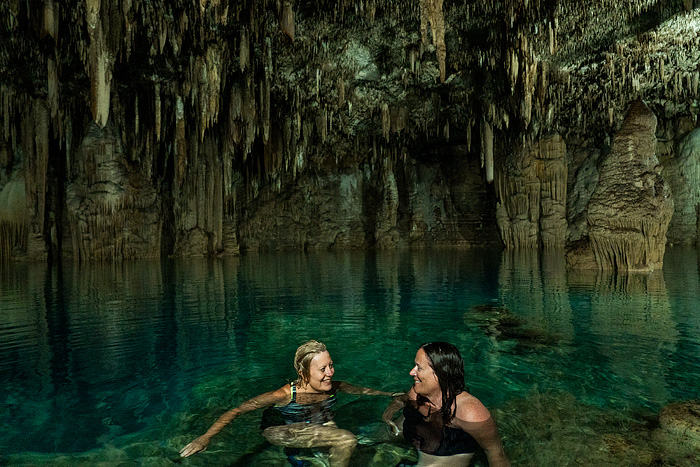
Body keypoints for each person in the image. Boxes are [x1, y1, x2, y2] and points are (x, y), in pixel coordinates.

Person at [180, 339, 398, 467]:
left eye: (331, 365)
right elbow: (237, 411)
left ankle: (312, 455)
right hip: (280, 429)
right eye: (322, 369)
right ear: (304, 373)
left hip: (313, 424)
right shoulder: (283, 395)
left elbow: (359, 390)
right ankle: (307, 452)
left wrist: (388, 394)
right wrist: (206, 437)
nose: (330, 373)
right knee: (346, 439)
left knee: (351, 441)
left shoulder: (334, 385)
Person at [382, 342, 510, 467]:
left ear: (439, 374)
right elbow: (400, 400)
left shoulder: (470, 413)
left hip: (443, 455)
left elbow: (495, 452)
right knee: (367, 437)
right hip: (417, 435)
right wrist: (387, 416)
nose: (411, 372)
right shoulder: (416, 392)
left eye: (419, 367)